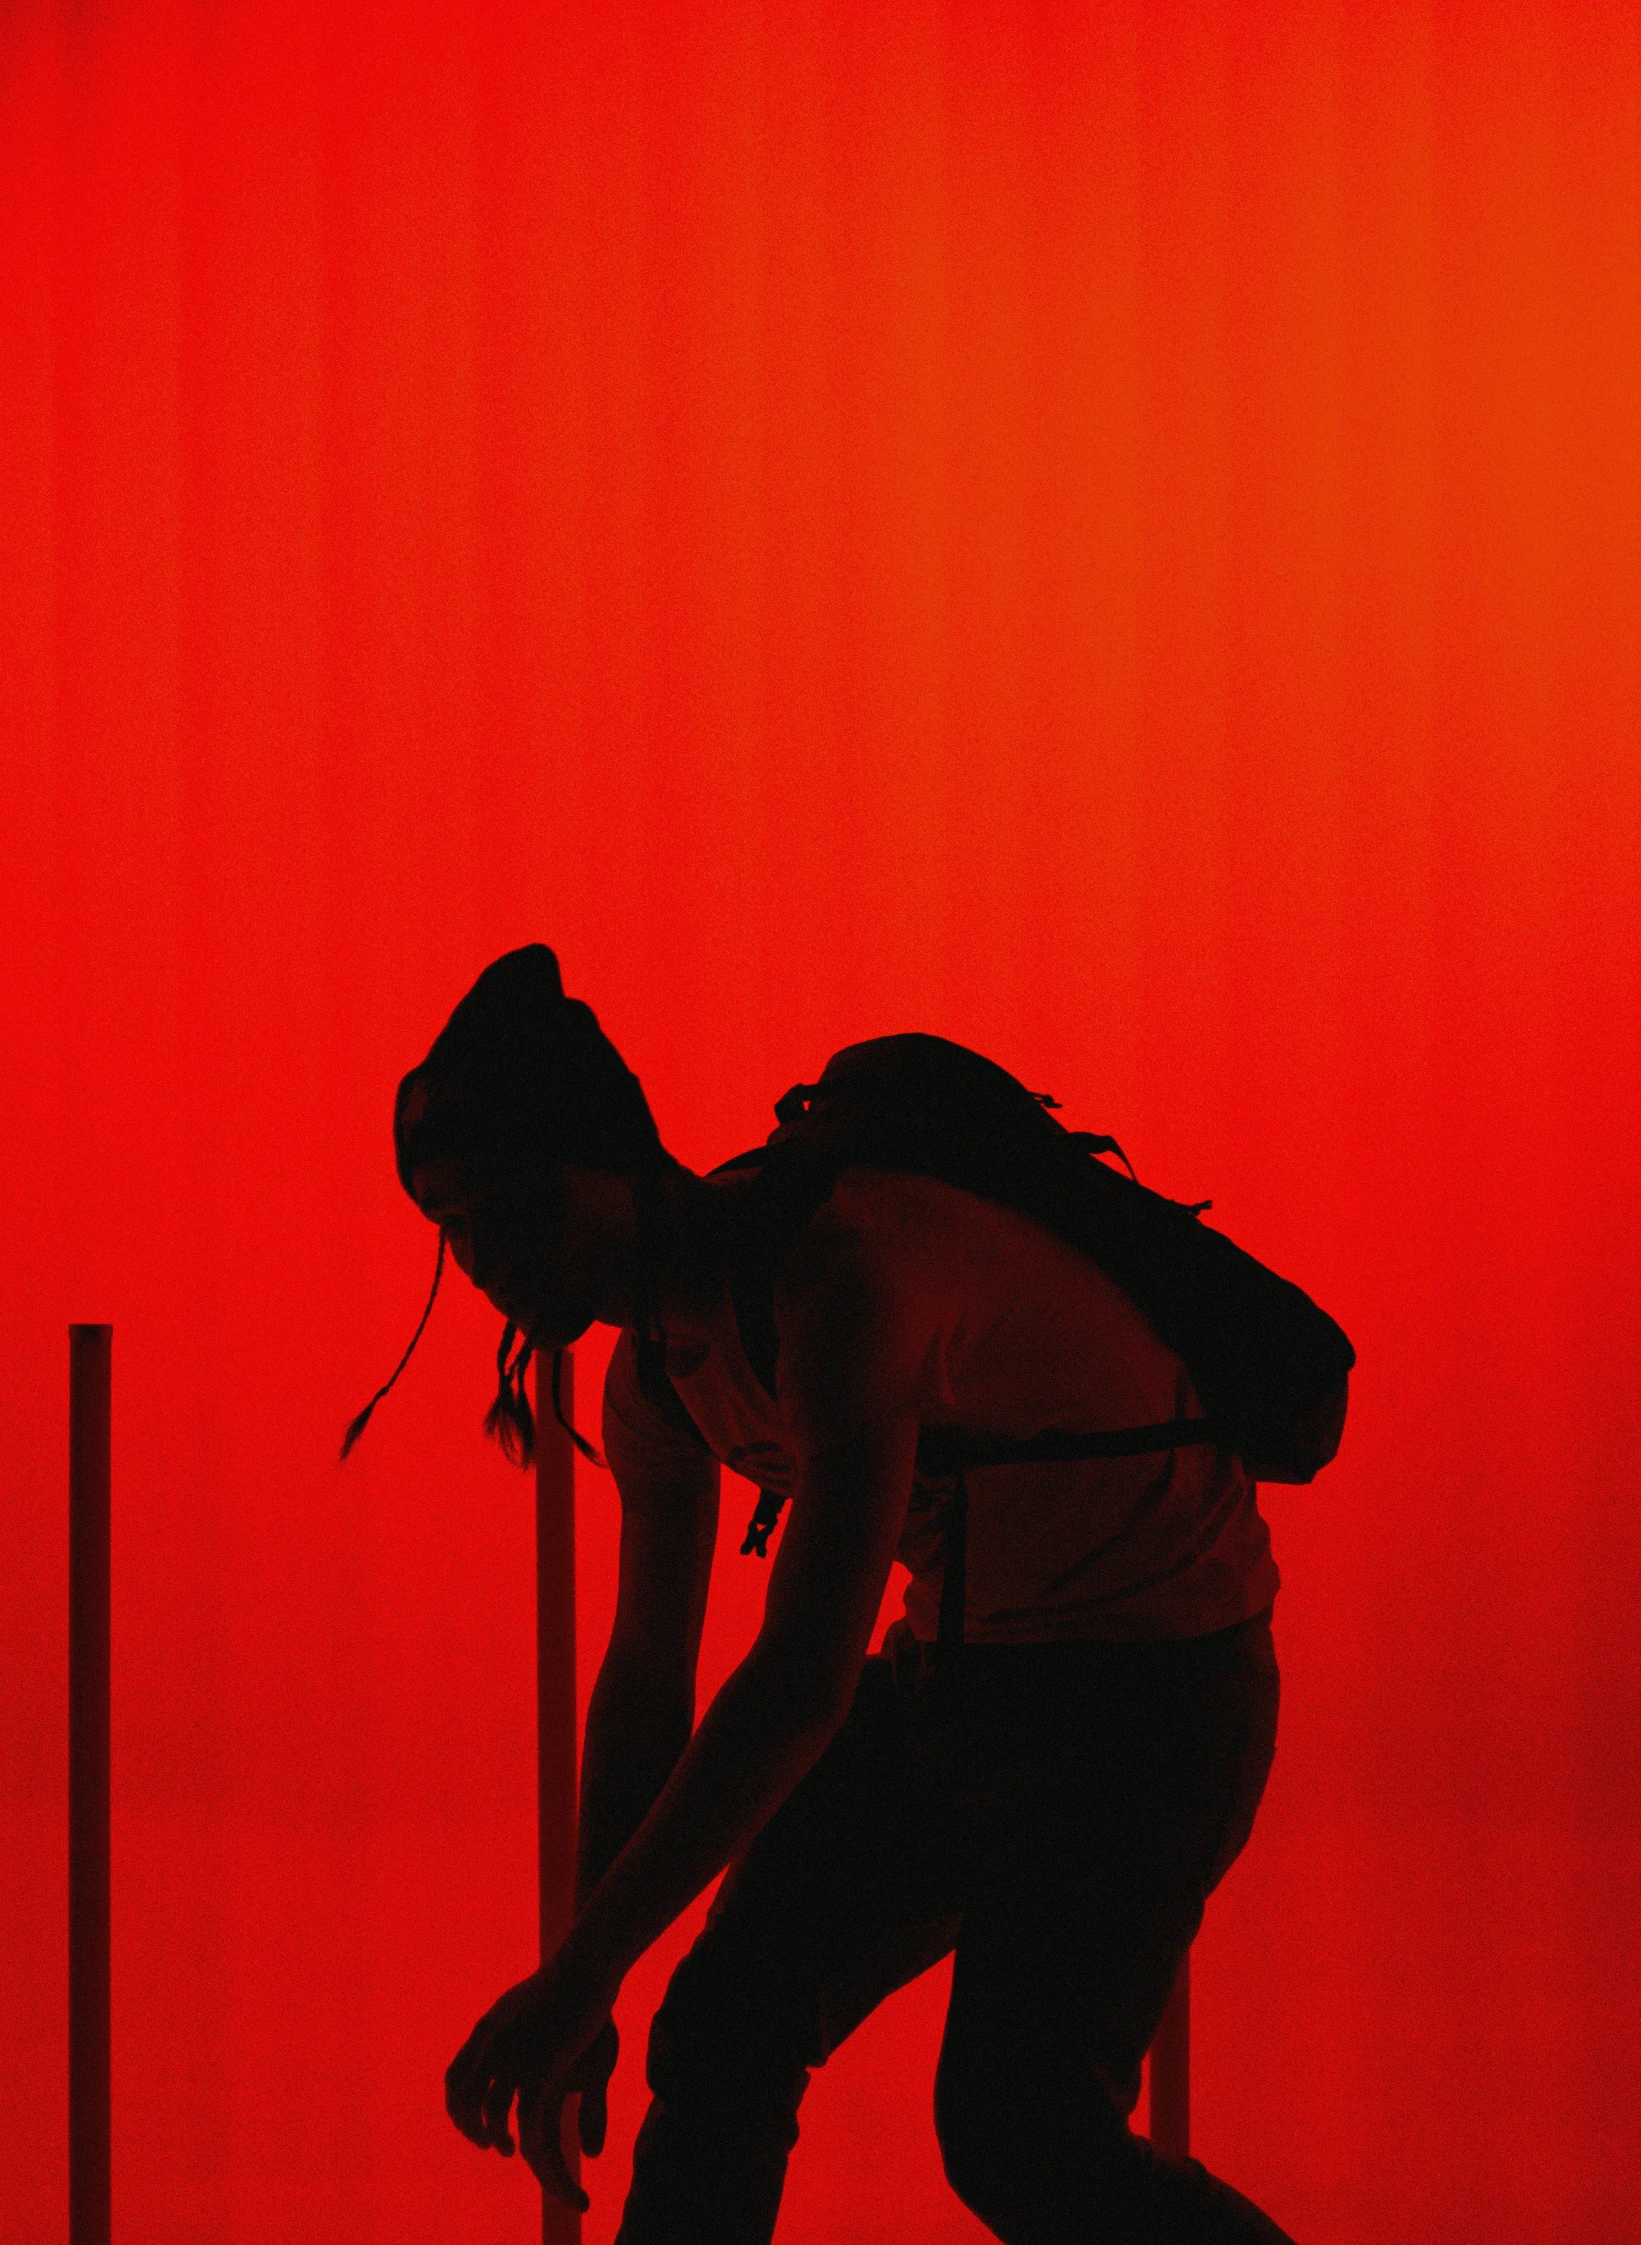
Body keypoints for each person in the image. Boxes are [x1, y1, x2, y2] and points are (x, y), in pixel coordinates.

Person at [347, 944, 1296, 2243]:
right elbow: (643, 1688)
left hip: (1155, 1693)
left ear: (615, 1166)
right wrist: (592, 1975)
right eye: (454, 1235)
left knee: (1022, 2131)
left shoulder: (838, 1273)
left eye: (516, 1211)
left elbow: (797, 1679)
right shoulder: (657, 1384)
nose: (488, 1263)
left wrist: (577, 1974)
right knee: (720, 2038)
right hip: (962, 1677)